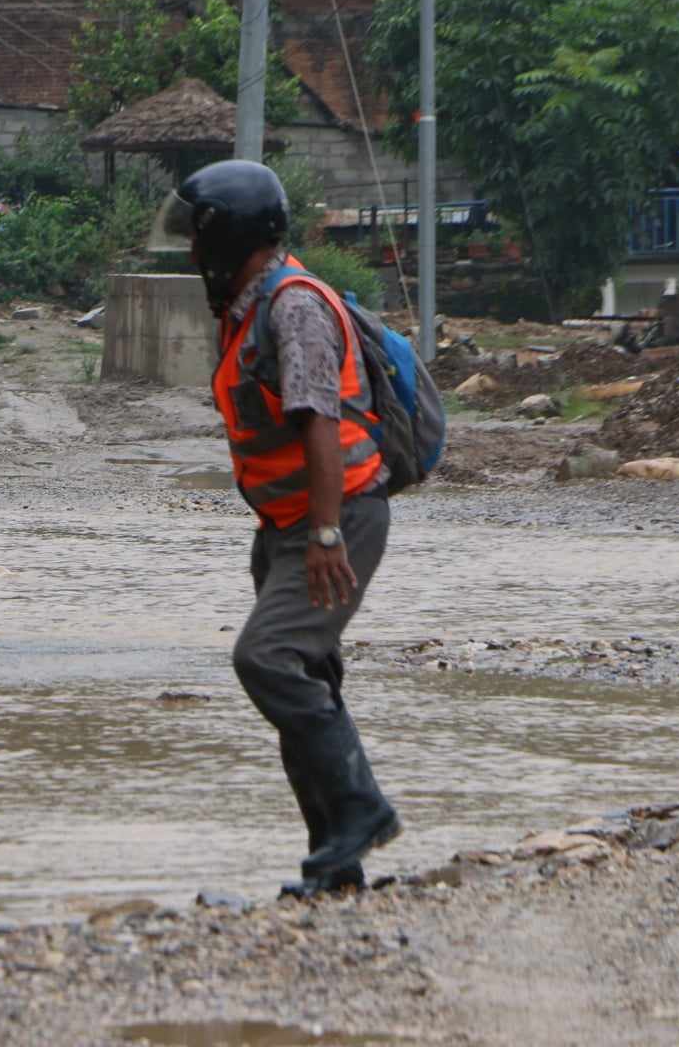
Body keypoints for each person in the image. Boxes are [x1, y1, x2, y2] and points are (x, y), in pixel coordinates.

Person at [164, 160, 400, 900]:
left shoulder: (292, 306)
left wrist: (327, 535)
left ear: (229, 236)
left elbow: (318, 420)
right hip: (287, 525)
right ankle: (337, 864)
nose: (194, 256)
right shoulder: (249, 305)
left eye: (200, 240)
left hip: (337, 519)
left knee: (266, 659)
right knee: (308, 676)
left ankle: (361, 810)